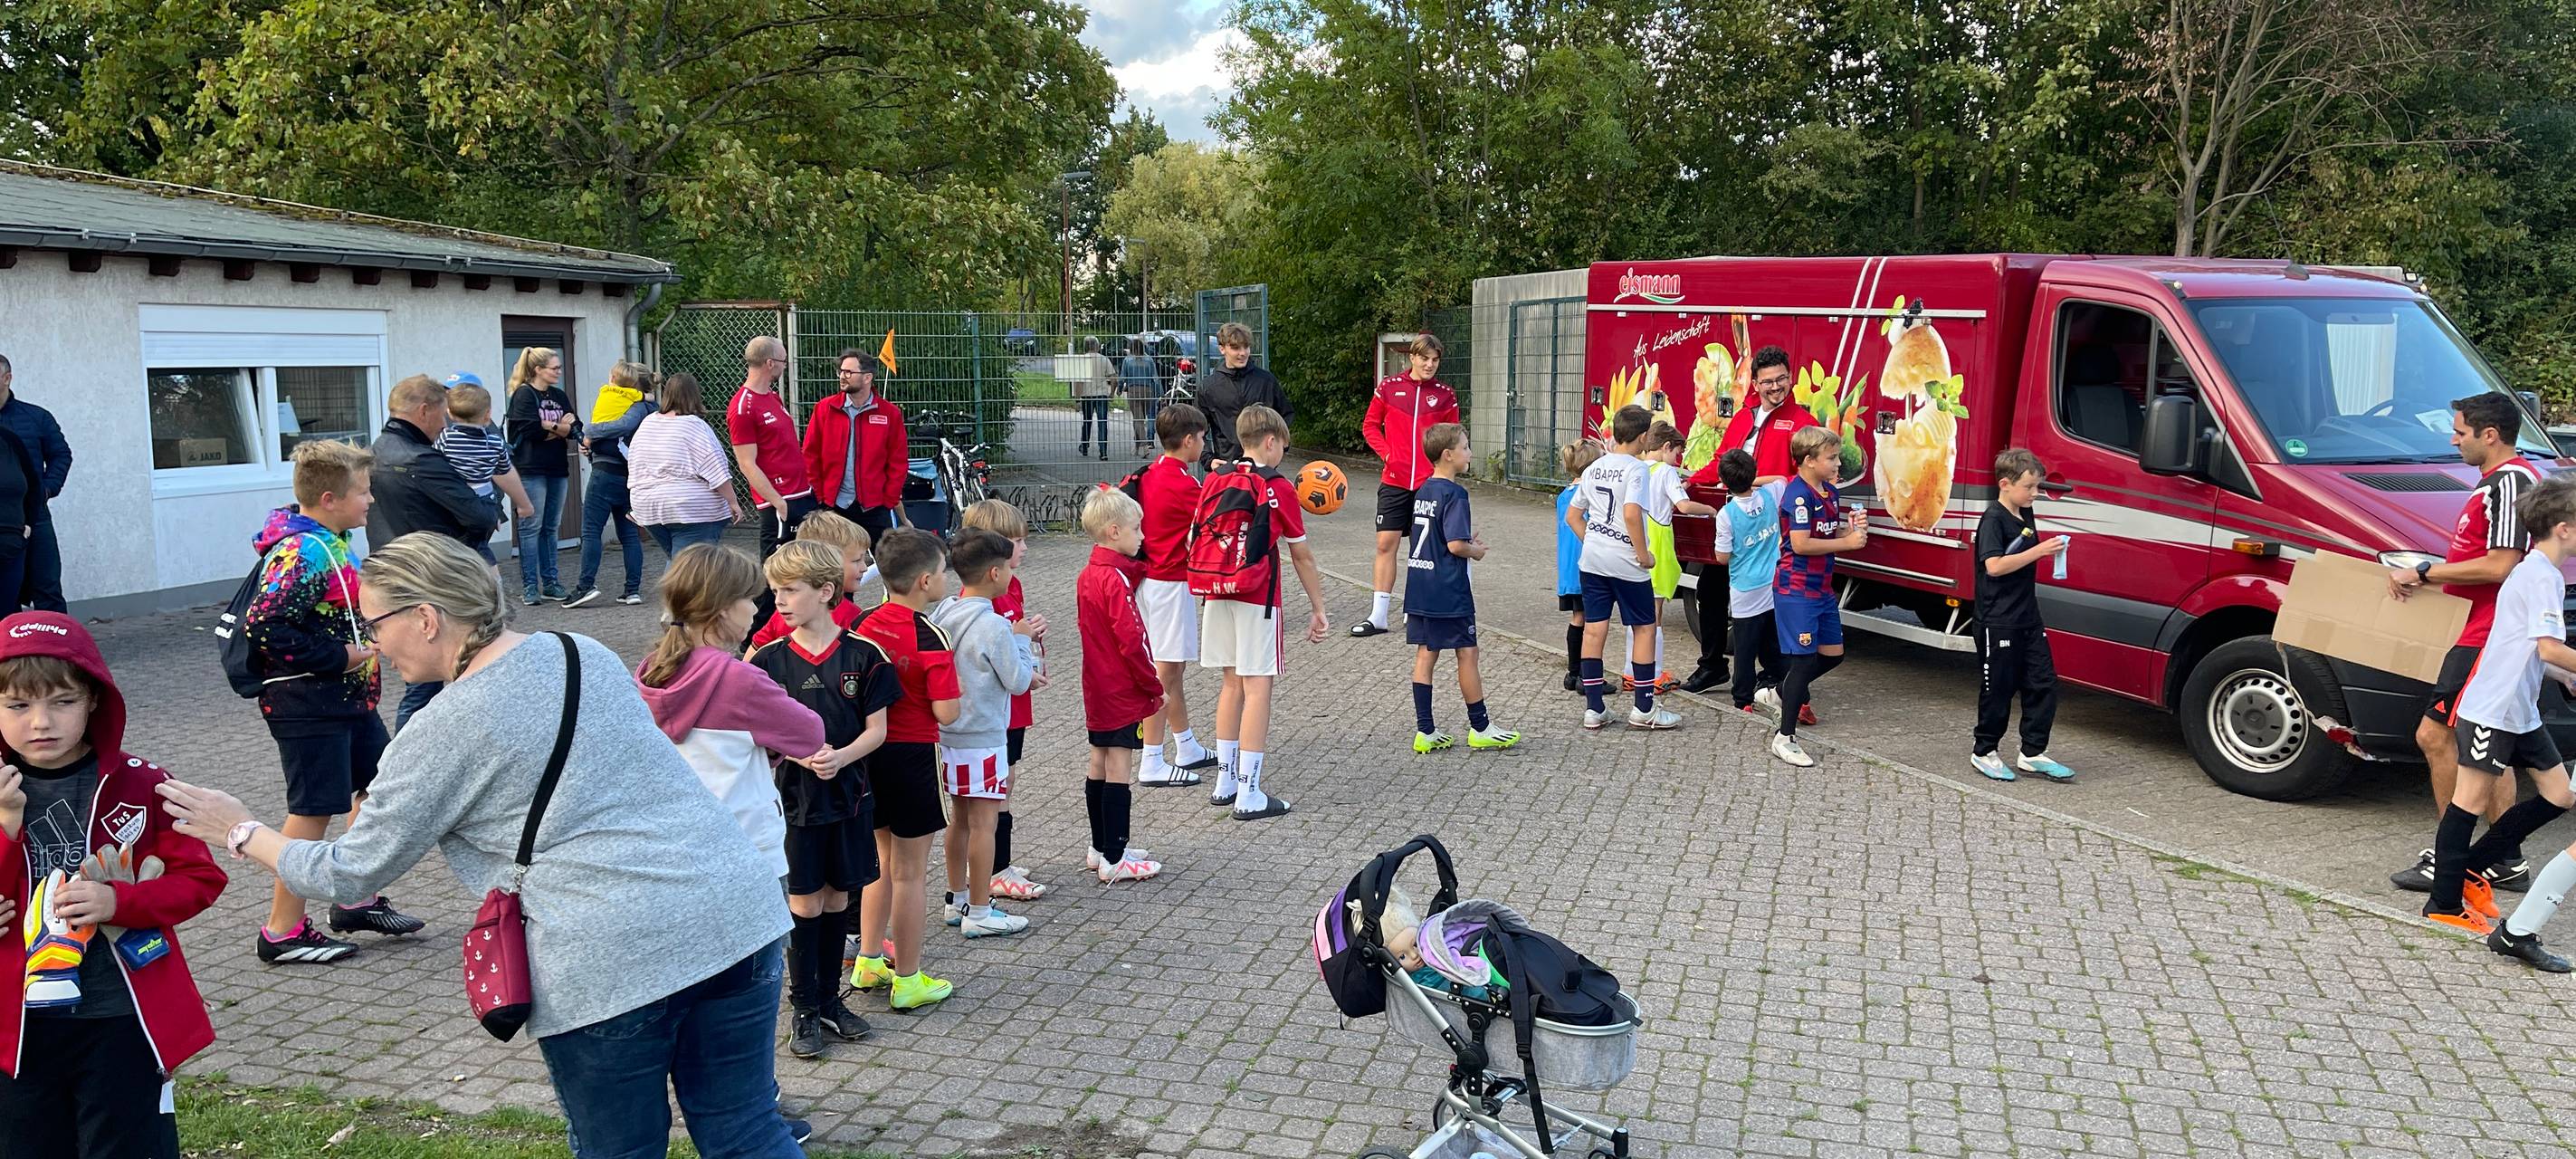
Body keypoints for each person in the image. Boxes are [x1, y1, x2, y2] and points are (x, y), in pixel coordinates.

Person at [156, 533, 806, 1159]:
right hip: (737, 911)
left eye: (374, 623)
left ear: (427, 618)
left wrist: (241, 830)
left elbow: (349, 873)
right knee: (746, 1132)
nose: (371, 645)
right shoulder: (582, 650)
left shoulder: (441, 730)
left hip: (613, 954)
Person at [0, 611, 226, 1159]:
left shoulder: (143, 784)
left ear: (95, 699)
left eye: (62, 701)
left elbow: (199, 877)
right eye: (18, 706)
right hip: (17, 1028)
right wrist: (7, 829)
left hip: (120, 1013)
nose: (41, 722)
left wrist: (119, 900)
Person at [633, 543, 849, 1058]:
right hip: (746, 848)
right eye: (751, 600)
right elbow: (809, 730)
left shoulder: (650, 671)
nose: (759, 610)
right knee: (749, 990)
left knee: (692, 981)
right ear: (721, 607)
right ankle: (754, 1099)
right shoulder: (738, 678)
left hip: (678, 847)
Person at [243, 439, 425, 963]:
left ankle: (353, 896)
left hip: (348, 702)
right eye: (364, 492)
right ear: (329, 497)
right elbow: (264, 626)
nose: (371, 501)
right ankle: (281, 932)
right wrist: (337, 656)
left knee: (374, 790)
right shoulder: (304, 551)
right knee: (312, 812)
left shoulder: (332, 538)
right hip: (308, 703)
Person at [2388, 392, 2544, 896]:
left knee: (2436, 738)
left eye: (2460, 431)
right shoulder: (2500, 482)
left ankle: (2452, 859)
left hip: (2490, 635)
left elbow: (2501, 565)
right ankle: (2503, 859)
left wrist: (2428, 570)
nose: (2454, 439)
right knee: (2488, 745)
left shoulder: (2510, 483)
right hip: (2483, 630)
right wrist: (2430, 575)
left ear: (2489, 435)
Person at [747, 541, 898, 1055]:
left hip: (852, 797)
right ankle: (803, 1008)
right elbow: (758, 735)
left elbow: (878, 730)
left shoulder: (865, 655)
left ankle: (832, 1002)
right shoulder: (767, 660)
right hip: (793, 803)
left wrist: (844, 756)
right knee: (803, 902)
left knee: (838, 898)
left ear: (826, 592)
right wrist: (796, 756)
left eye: (790, 590)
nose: (780, 601)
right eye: (774, 592)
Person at [2418, 474, 2576, 945]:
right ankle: (2443, 904)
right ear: (2564, 529)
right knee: (2469, 799)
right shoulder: (2541, 576)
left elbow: (2528, 652)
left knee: (2559, 795)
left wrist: (2567, 677)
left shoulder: (2536, 572)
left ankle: (2466, 868)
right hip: (2492, 709)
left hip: (2518, 709)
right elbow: (2548, 647)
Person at [848, 529, 960, 1011]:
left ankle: (869, 959)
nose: (944, 581)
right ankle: (909, 978)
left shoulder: (862, 624)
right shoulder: (931, 634)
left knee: (879, 860)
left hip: (866, 755)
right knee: (911, 872)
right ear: (922, 581)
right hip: (914, 756)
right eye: (940, 574)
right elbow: (947, 712)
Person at [1202, 405, 1331, 821]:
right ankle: (1250, 792)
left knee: (1230, 685)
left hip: (1215, 590)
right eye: (1283, 447)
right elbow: (1302, 555)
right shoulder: (1276, 485)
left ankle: (1225, 782)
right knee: (1258, 687)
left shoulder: (1216, 477)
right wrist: (1318, 607)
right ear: (1272, 441)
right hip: (1257, 595)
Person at [364, 374, 501, 732]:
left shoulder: (374, 453)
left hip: (392, 575)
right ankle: (406, 764)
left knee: (421, 679)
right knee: (445, 676)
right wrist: (490, 506)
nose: (444, 426)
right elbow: (478, 514)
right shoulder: (422, 459)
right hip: (435, 579)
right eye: (442, 416)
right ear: (424, 411)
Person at [929, 530, 1038, 939]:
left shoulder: (941, 613)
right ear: (995, 572)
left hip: (947, 734)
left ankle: (956, 898)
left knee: (958, 820)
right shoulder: (993, 624)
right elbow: (1018, 680)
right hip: (984, 737)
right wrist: (1022, 640)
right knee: (984, 825)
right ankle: (980, 908)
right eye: (1009, 567)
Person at [1405, 424, 1518, 755]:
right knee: (1468, 653)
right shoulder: (1455, 494)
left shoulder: (1423, 490)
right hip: (1448, 589)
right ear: (1448, 455)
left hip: (1420, 584)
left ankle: (1425, 731)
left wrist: (1464, 540)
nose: (1470, 453)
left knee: (1426, 654)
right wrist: (1475, 550)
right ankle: (1480, 727)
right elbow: (1454, 545)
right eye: (1465, 447)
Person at [957, 500, 1048, 902]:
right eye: (1016, 541)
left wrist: (1027, 636)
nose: (1025, 548)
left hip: (1015, 705)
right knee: (998, 790)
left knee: (1007, 780)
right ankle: (997, 870)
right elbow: (993, 652)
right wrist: (1020, 637)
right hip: (995, 710)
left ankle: (1000, 863)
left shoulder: (1012, 585)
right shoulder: (979, 599)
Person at [1566, 406, 1677, 733]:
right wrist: (1643, 555)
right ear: (1643, 437)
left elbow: (1573, 516)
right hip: (1626, 564)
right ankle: (1644, 707)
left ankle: (1594, 708)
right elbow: (1631, 513)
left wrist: (1595, 540)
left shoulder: (1595, 467)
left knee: (1594, 629)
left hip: (1593, 562)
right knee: (1644, 627)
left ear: (1615, 432)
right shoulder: (1637, 469)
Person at [1075, 487, 1166, 881]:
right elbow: (1133, 639)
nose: (1142, 536)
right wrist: (1153, 685)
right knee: (1119, 765)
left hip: (1097, 683)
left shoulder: (1089, 574)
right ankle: (1115, 855)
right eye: (1136, 528)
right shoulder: (1114, 580)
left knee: (1099, 757)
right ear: (1114, 531)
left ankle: (1101, 846)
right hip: (1120, 686)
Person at [1970, 449, 2074, 783]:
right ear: (2005, 484)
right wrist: (2040, 551)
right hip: (1998, 619)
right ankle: (1984, 751)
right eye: (2029, 487)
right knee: (1998, 690)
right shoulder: (1993, 519)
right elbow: (1994, 566)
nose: (2035, 493)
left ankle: (2032, 753)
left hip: (2028, 618)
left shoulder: (2024, 512)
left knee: (2043, 684)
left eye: (2037, 487)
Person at [1350, 334, 1462, 638]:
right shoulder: (1389, 387)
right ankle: (1379, 615)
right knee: (1385, 544)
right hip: (1394, 481)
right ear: (1412, 357)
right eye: (1424, 358)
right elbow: (1370, 425)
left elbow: (1453, 439)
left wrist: (1445, 475)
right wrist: (1388, 454)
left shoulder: (1445, 395)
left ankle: (1417, 610)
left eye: (1435, 360)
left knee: (1423, 549)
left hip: (1430, 484)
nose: (1429, 365)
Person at [1770, 426, 1868, 769]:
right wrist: (1846, 543)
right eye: (1832, 458)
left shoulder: (1829, 492)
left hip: (1822, 589)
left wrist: (1850, 530)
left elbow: (1826, 532)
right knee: (1804, 661)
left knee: (1834, 655)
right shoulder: (1798, 496)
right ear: (1809, 461)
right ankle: (1785, 737)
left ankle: (1782, 691)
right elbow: (1801, 543)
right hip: (1796, 590)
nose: (1839, 463)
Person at [1135, 405, 1216, 787]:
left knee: (1172, 669)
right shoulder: (1185, 484)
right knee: (1164, 673)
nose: (1203, 444)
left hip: (1148, 582)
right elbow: (1213, 521)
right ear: (1188, 440)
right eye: (1201, 438)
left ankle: (1185, 745)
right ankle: (1152, 759)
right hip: (1170, 583)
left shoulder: (1148, 472)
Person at [568, 361, 657, 608]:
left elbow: (619, 428)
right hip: (629, 476)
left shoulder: (634, 406)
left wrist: (590, 431)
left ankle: (585, 586)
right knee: (628, 533)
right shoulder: (649, 407)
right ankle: (632, 590)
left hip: (607, 472)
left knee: (591, 530)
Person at [628, 371, 744, 559]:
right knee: (690, 569)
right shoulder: (694, 425)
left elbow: (634, 463)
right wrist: (732, 502)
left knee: (679, 560)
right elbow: (715, 468)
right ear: (695, 396)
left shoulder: (647, 423)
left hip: (648, 507)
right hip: (689, 509)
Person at [1639, 422, 1719, 692]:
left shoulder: (1638, 468)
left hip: (1638, 537)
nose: (1677, 460)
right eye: (1677, 454)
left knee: (1639, 609)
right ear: (1666, 447)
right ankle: (1653, 672)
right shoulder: (1666, 472)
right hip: (1659, 542)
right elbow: (1683, 506)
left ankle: (1633, 670)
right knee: (1656, 612)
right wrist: (1709, 508)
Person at [1708, 450, 1787, 718]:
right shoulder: (1769, 494)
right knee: (1772, 640)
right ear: (1753, 474)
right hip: (1773, 582)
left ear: (1723, 481)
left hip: (1745, 588)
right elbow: (1780, 478)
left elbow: (1722, 557)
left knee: (1744, 648)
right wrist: (1754, 481)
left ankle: (1743, 699)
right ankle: (1777, 685)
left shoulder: (1726, 514)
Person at [804, 350, 910, 541]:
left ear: (867, 377)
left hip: (875, 505)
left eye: (849, 372)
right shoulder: (825, 408)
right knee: (834, 564)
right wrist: (820, 497)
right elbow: (810, 455)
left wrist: (889, 500)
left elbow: (898, 461)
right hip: (833, 506)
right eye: (841, 371)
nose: (842, 377)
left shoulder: (889, 413)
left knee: (886, 563)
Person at [503, 347, 581, 606]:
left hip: (557, 468)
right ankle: (530, 586)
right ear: (538, 369)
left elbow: (576, 428)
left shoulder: (558, 395)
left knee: (550, 527)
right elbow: (530, 430)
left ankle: (550, 582)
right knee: (530, 527)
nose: (559, 371)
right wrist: (561, 427)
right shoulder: (524, 395)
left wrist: (552, 426)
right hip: (531, 468)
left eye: (559, 367)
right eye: (554, 368)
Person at [434, 378, 536, 567]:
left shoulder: (445, 438)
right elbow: (504, 470)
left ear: (449, 412)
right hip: (486, 503)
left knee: (456, 554)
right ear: (487, 415)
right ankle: (492, 587)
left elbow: (434, 463)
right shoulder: (495, 444)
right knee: (481, 548)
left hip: (454, 503)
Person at [730, 335, 816, 560]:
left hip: (801, 493)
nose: (785, 366)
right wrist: (778, 502)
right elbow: (746, 463)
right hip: (780, 500)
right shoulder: (743, 407)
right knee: (776, 569)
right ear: (771, 363)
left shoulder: (773, 397)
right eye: (784, 360)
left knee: (805, 564)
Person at [0, 354, 72, 612]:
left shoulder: (36, 417)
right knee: (5, 597)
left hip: (35, 516)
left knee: (47, 589)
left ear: (7, 378)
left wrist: (47, 488)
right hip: (1, 522)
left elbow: (61, 454)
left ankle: (57, 651)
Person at [748, 511, 874, 647]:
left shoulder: (784, 613)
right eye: (856, 560)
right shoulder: (852, 616)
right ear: (827, 561)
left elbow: (753, 656)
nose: (864, 567)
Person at [1197, 322, 1291, 465]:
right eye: (1235, 348)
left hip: (1263, 465)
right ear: (1222, 349)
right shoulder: (1208, 387)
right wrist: (1208, 460)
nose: (1243, 353)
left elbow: (1286, 415)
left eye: (1246, 347)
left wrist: (1279, 448)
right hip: (1227, 465)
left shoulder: (1266, 381)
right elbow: (1196, 426)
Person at [1554, 442, 1604, 693]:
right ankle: (1588, 675)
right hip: (1586, 568)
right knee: (1593, 622)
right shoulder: (1588, 497)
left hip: (1568, 570)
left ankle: (1573, 672)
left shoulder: (1564, 496)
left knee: (1578, 619)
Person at [1118, 337, 1161, 456]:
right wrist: (1159, 393)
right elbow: (1155, 378)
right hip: (1148, 391)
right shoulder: (1149, 360)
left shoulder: (1128, 360)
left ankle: (1144, 446)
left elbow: (1122, 377)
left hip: (1133, 391)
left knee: (1138, 419)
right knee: (1140, 419)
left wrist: (1120, 389)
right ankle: (1136, 446)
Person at [1075, 337, 1116, 460]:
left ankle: (1085, 445)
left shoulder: (1082, 360)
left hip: (1087, 395)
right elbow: (1114, 378)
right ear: (1097, 346)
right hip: (1101, 395)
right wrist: (1112, 393)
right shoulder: (1104, 360)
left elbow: (1079, 382)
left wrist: (1077, 399)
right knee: (1102, 422)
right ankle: (1103, 451)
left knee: (1087, 421)